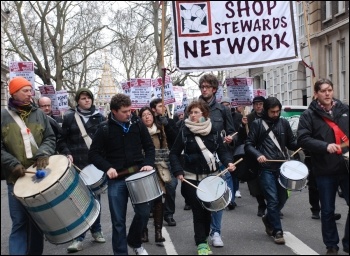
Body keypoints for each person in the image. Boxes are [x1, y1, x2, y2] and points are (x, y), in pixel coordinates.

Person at [88, 93, 155, 255]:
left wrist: (148, 164)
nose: (129, 114)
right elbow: (94, 154)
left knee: (144, 212)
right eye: (125, 111)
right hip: (116, 180)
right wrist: (107, 167)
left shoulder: (137, 123)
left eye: (130, 110)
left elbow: (149, 147)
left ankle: (134, 241)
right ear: (114, 111)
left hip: (138, 175)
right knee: (118, 221)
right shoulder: (104, 128)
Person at [169, 100, 236, 255]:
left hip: (212, 177)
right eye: (191, 112)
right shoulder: (184, 131)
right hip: (191, 178)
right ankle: (201, 243)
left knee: (207, 211)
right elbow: (174, 153)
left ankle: (205, 237)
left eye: (196, 112)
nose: (192, 115)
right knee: (198, 211)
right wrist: (178, 171)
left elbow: (222, 151)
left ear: (204, 114)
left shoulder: (214, 130)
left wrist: (229, 162)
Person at [1, 76, 56, 255]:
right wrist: (12, 164)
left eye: (30, 90)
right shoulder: (3, 117)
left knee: (37, 224)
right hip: (15, 178)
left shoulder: (39, 114)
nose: (29, 94)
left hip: (38, 177)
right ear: (14, 92)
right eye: (25, 90)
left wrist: (43, 153)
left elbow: (49, 137)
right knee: (19, 223)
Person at [297, 78, 349, 255]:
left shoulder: (344, 110)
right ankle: (331, 245)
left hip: (346, 167)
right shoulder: (308, 115)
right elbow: (303, 139)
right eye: (323, 91)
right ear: (316, 94)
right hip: (324, 169)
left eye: (330, 90)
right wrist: (324, 146)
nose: (327, 94)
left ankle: (348, 242)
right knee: (327, 210)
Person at [58, 88, 106, 252]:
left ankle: (97, 230)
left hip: (95, 165)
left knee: (96, 200)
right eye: (83, 98)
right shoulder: (70, 117)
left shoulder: (100, 117)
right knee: (79, 202)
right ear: (77, 100)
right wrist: (67, 153)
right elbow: (61, 139)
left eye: (89, 98)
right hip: (77, 165)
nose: (87, 101)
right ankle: (78, 237)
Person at [245, 96, 298, 245]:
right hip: (265, 168)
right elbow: (248, 144)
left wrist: (304, 141)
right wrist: (259, 155)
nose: (276, 114)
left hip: (282, 167)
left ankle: (268, 219)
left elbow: (291, 143)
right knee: (273, 200)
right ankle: (277, 231)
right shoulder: (257, 124)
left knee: (283, 198)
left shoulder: (284, 123)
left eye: (278, 111)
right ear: (266, 110)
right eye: (272, 112)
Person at [197, 74, 235, 247]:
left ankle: (216, 232)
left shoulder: (222, 110)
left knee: (218, 196)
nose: (204, 89)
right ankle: (203, 233)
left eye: (207, 86)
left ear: (214, 89)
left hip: (219, 159)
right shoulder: (194, 108)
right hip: (199, 159)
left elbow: (232, 132)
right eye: (202, 86)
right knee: (202, 198)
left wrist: (230, 138)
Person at [139, 107, 168, 243]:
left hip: (157, 169)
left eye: (149, 114)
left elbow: (165, 148)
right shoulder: (136, 131)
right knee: (143, 202)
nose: (147, 117)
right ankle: (143, 232)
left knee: (158, 201)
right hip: (142, 170)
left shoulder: (160, 130)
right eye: (143, 115)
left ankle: (158, 232)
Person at [150, 98, 179, 226]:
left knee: (171, 185)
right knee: (155, 187)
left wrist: (167, 125)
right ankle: (154, 210)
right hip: (153, 160)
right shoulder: (149, 123)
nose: (163, 108)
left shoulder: (170, 122)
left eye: (164, 106)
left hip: (168, 159)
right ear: (153, 109)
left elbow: (177, 139)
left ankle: (169, 214)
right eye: (160, 106)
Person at [246, 96, 268, 217]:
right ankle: (261, 204)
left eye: (261, 104)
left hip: (268, 152)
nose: (259, 106)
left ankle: (272, 205)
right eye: (256, 104)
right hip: (253, 153)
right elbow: (244, 138)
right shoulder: (249, 118)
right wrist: (242, 126)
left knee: (269, 181)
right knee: (255, 181)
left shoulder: (269, 116)